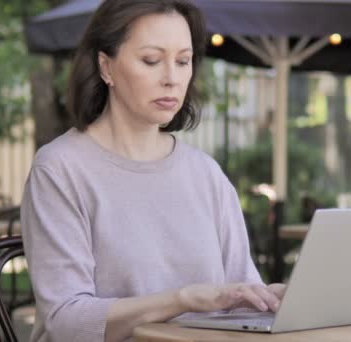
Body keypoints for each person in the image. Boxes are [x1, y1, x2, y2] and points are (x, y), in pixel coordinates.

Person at [21, 1, 285, 341]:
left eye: (183, 61)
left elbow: (241, 298)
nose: (172, 79)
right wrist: (182, 299)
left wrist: (270, 300)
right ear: (106, 68)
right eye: (151, 60)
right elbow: (67, 321)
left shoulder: (205, 174)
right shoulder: (60, 170)